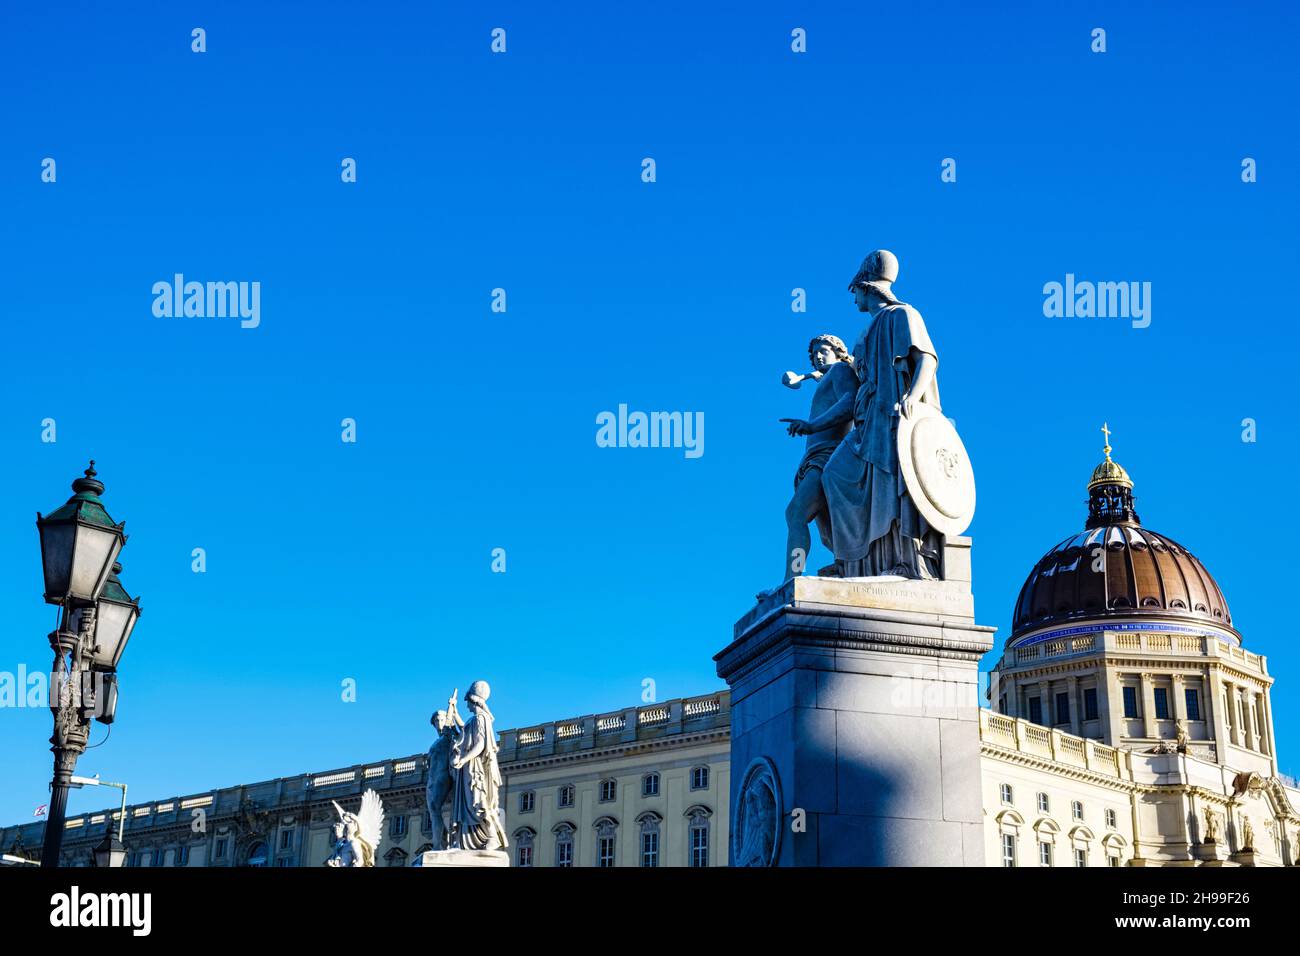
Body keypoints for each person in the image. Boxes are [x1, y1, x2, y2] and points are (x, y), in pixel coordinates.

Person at [785, 250, 944, 578]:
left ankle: (901, 559)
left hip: (891, 415)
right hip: (868, 420)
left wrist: (912, 398)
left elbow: (926, 359)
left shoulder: (903, 315)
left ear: (866, 286)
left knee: (886, 482)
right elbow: (848, 377)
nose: (853, 297)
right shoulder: (867, 331)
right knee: (841, 479)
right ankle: (856, 562)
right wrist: (809, 377)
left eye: (854, 290)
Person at [774, 334, 857, 583]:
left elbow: (850, 402)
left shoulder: (841, 370)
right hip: (814, 458)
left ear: (838, 351)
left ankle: (792, 579)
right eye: (814, 355)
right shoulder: (826, 378)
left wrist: (812, 426)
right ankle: (850, 568)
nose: (817, 357)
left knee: (795, 513)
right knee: (829, 535)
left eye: (823, 351)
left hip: (828, 456)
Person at [448, 681, 508, 851]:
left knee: (479, 804)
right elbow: (464, 729)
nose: (466, 704)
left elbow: (481, 744)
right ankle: (466, 841)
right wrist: (454, 712)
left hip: (477, 769)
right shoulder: (474, 719)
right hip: (469, 767)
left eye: (467, 701)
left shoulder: (481, 719)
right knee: (470, 806)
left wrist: (463, 759)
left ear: (473, 700)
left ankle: (492, 837)